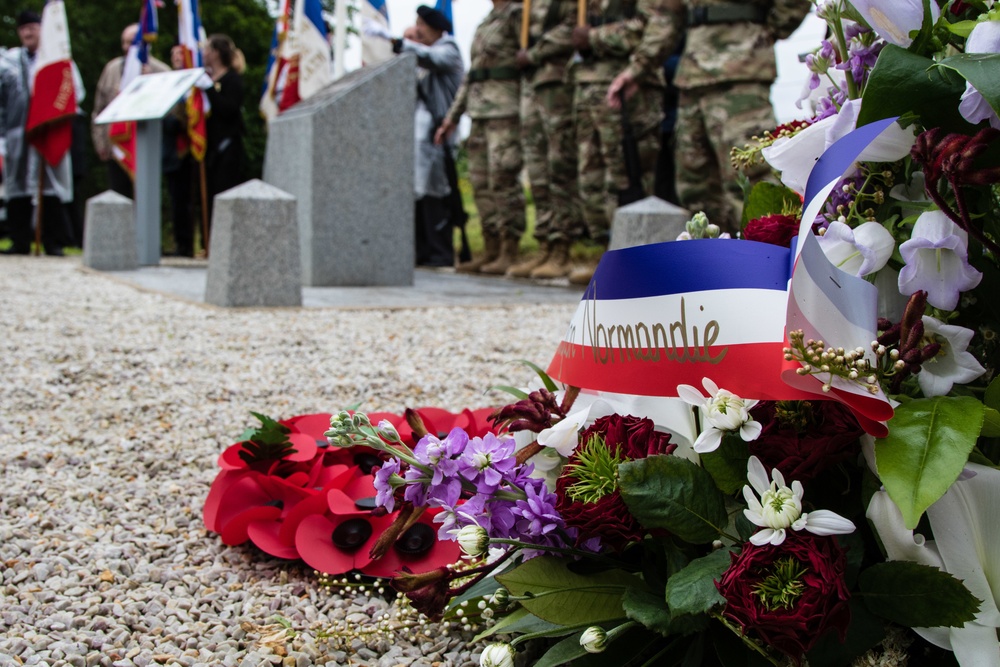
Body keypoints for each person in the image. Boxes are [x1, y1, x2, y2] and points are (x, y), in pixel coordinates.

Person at [607, 0, 811, 234]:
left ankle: (770, 258)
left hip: (741, 71)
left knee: (752, 179)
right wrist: (637, 71)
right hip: (691, 76)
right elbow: (667, 17)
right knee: (695, 185)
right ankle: (712, 261)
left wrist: (767, 30)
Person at [567, 0, 673, 284]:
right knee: (592, 177)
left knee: (628, 175)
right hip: (589, 86)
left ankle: (636, 260)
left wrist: (593, 37)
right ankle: (607, 256)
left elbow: (653, 26)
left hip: (629, 88)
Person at [436, 0, 524, 275]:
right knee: (481, 182)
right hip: (479, 112)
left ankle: (510, 248)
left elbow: (529, 60)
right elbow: (471, 75)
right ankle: (491, 247)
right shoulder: (486, 22)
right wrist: (453, 116)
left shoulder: (518, 15)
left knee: (503, 178)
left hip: (506, 109)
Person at [0, 10, 84, 256]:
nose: (28, 32)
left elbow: (75, 94)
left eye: (33, 27)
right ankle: (20, 241)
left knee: (50, 187)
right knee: (17, 187)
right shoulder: (8, 62)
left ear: (42, 30)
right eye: (23, 28)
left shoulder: (58, 61)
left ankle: (53, 242)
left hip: (48, 133)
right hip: (17, 133)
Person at [393, 6, 465, 267]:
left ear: (435, 27)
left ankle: (440, 252)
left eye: (421, 25)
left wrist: (398, 44)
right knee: (419, 193)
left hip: (439, 138)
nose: (418, 32)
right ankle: (423, 251)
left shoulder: (448, 49)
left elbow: (430, 58)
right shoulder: (424, 58)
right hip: (420, 138)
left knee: (436, 193)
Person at [91, 23, 169, 199]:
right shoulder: (112, 69)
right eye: (124, 43)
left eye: (131, 43)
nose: (127, 48)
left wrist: (151, 84)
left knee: (146, 198)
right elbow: (99, 108)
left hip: (146, 147)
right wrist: (100, 142)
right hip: (116, 146)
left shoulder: (160, 71)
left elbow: (170, 112)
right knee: (119, 197)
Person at [202, 34, 247, 233]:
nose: (204, 53)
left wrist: (210, 90)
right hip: (209, 147)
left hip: (228, 148)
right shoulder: (207, 79)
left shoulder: (232, 80)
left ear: (216, 53)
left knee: (223, 193)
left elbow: (229, 109)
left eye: (207, 49)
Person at [163, 45, 194, 257]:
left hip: (189, 148)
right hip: (170, 148)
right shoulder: (167, 82)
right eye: (173, 55)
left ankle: (189, 243)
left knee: (187, 199)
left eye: (180, 54)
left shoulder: (194, 84)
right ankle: (179, 242)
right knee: (175, 199)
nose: (177, 58)